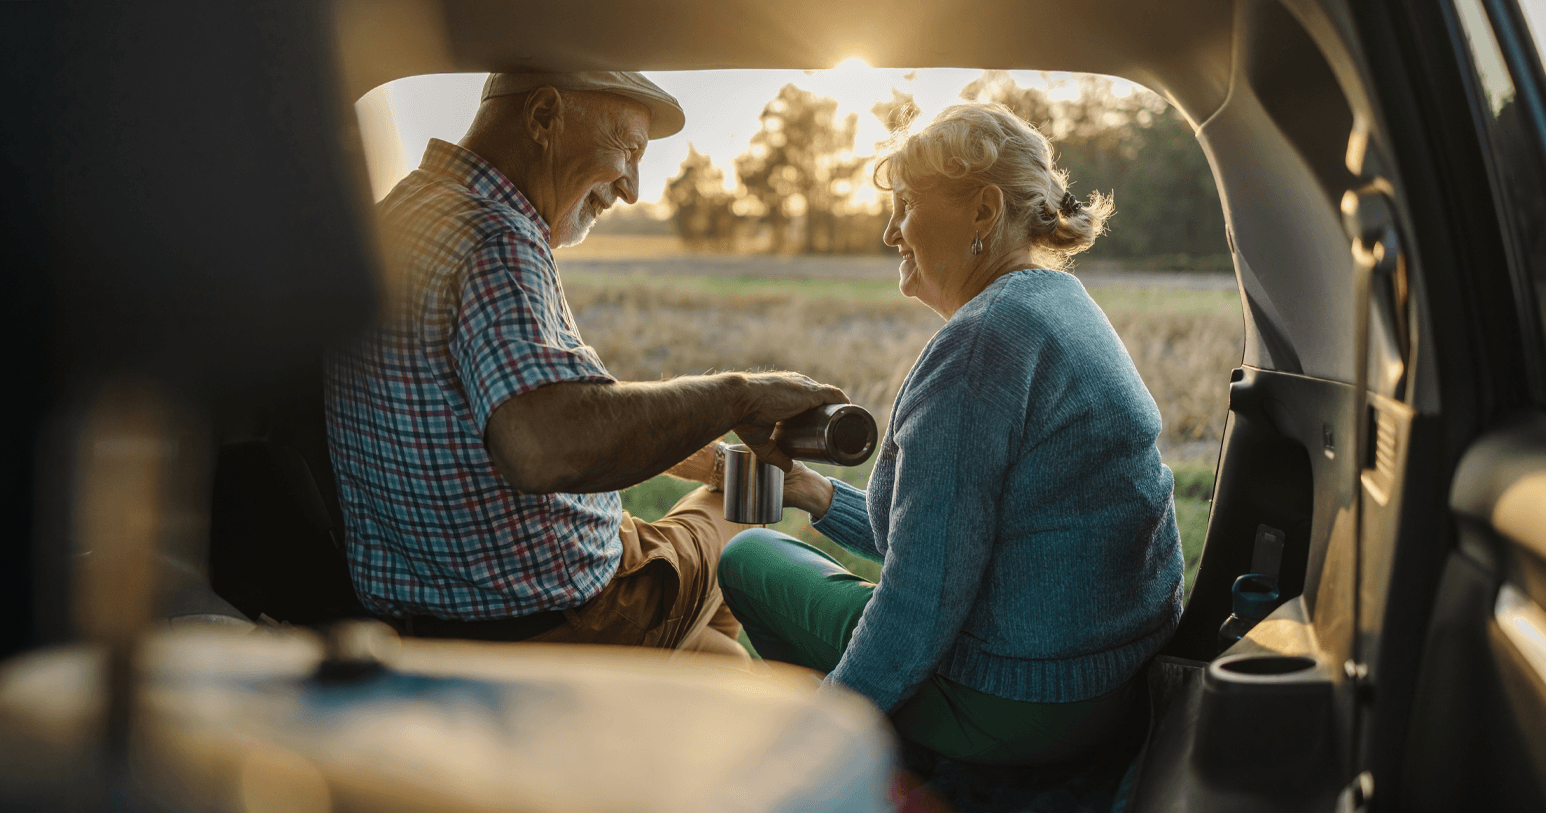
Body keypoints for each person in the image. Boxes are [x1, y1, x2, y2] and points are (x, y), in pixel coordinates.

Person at [717, 102, 1185, 764]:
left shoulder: (981, 346)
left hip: (1020, 705)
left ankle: (886, 761)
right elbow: (948, 539)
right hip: (1114, 680)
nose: (889, 232)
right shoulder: (1061, 305)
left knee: (749, 558)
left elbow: (919, 603)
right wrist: (813, 492)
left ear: (983, 212)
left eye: (905, 205)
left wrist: (811, 745)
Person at [325, 72, 846, 657]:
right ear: (544, 116)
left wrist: (711, 460)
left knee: (716, 642)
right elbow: (546, 443)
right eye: (629, 149)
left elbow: (544, 405)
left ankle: (702, 668)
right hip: (569, 617)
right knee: (744, 507)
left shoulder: (399, 213)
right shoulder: (496, 237)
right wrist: (739, 395)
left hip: (432, 611)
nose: (632, 189)